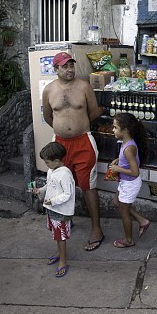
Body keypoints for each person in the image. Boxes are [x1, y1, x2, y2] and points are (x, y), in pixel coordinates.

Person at [42, 52, 105, 251]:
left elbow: (93, 112)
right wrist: (63, 129)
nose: (69, 70)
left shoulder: (84, 86)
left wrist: (77, 126)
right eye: (64, 66)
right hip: (60, 144)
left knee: (88, 186)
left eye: (71, 65)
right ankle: (65, 219)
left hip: (83, 142)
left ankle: (97, 229)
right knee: (60, 184)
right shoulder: (49, 90)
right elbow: (48, 116)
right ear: (56, 69)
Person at [108, 113, 152, 248]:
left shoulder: (128, 148)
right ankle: (142, 221)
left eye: (115, 127)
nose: (113, 130)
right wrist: (118, 161)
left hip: (130, 183)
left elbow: (135, 171)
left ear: (125, 129)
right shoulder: (126, 142)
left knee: (124, 211)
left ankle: (128, 240)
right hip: (126, 182)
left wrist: (118, 169)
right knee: (117, 202)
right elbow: (127, 162)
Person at [32, 142, 75, 278]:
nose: (46, 165)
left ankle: (63, 260)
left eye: (47, 162)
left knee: (61, 236)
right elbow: (49, 185)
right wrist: (40, 190)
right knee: (56, 234)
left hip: (60, 210)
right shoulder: (52, 171)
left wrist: (53, 201)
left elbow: (68, 194)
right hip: (51, 208)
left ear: (57, 160)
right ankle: (59, 253)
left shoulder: (65, 174)